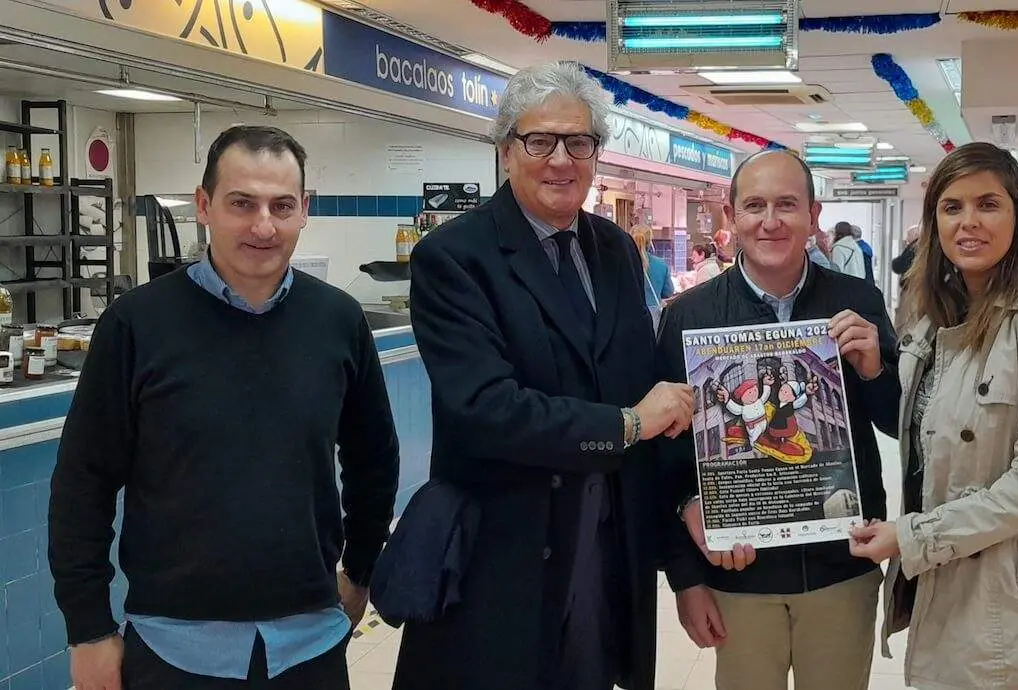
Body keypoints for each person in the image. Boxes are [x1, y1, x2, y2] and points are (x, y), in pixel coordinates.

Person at [48, 125, 401, 690]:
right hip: (173, 650)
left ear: (304, 210)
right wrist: (88, 629)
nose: (264, 225)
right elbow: (82, 483)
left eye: (281, 205)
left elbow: (374, 459)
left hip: (309, 646)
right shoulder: (138, 324)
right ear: (204, 206)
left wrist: (359, 571)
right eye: (242, 203)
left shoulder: (338, 321)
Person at [393, 61, 694, 690]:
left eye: (579, 142)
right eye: (540, 141)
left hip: (607, 546)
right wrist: (628, 424)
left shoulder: (612, 249)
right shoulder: (455, 258)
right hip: (508, 555)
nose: (561, 159)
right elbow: (486, 409)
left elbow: (642, 377)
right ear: (507, 150)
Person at [848, 142, 1018, 690]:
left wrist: (912, 536)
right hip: (950, 576)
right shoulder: (929, 320)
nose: (969, 222)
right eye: (952, 207)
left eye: (988, 204)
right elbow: (926, 439)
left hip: (1017, 593)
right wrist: (877, 370)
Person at [656, 149, 902, 690]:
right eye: (755, 205)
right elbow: (665, 461)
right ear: (731, 216)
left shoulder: (857, 301)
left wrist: (877, 368)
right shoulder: (688, 318)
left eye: (787, 205)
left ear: (813, 215)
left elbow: (895, 424)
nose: (771, 221)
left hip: (841, 564)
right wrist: (685, 579)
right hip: (739, 574)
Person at [631, 224, 675, 302]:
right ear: (650, 242)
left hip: (627, 311)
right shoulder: (660, 264)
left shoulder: (622, 263)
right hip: (652, 312)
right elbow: (668, 292)